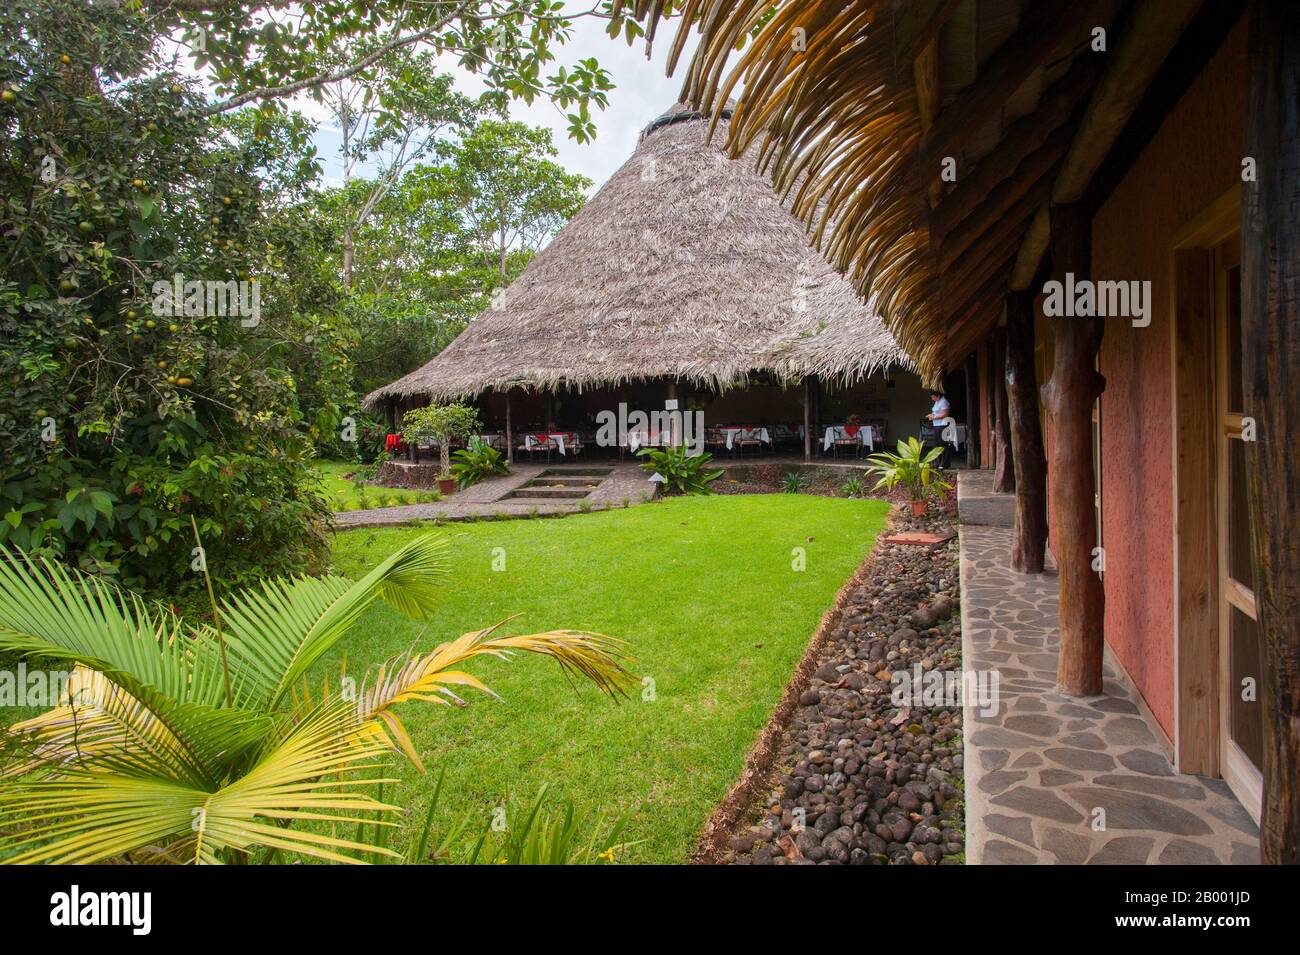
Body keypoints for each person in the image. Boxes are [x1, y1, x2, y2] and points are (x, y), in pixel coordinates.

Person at [925, 389, 953, 467]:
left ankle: (944, 463)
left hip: (942, 425)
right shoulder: (937, 402)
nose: (932, 398)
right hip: (937, 425)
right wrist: (931, 415)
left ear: (938, 396)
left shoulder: (944, 402)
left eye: (933, 396)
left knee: (942, 444)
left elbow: (945, 414)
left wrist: (934, 417)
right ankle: (938, 462)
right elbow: (936, 412)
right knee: (937, 444)